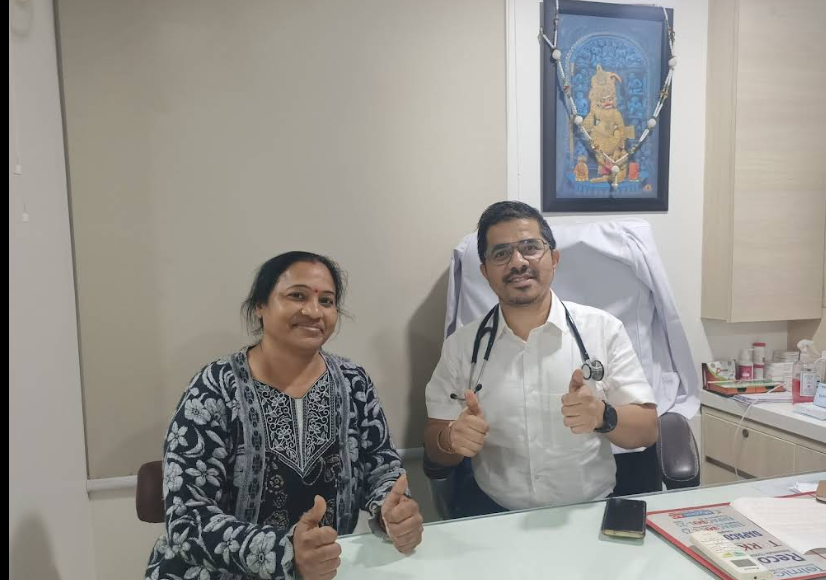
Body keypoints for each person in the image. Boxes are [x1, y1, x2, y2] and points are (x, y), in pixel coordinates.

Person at [146, 251, 423, 580]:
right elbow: (186, 520)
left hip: (323, 570)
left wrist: (393, 512)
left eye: (326, 301)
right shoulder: (214, 388)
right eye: (297, 296)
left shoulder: (353, 382)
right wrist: (286, 552)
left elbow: (382, 471)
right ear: (260, 306)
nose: (313, 311)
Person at [423, 201, 658, 516]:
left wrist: (603, 415)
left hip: (589, 512)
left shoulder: (604, 330)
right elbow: (434, 443)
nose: (518, 262)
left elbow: (647, 429)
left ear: (554, 259)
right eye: (501, 253)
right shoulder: (461, 347)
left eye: (530, 248)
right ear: (485, 272)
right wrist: (452, 440)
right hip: (496, 513)